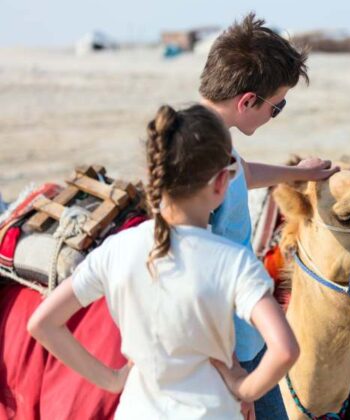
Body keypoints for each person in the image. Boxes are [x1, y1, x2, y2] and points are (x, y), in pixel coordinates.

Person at [27, 104, 299, 419]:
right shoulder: (233, 262)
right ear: (222, 182)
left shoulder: (117, 248)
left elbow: (42, 324)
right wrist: (244, 387)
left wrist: (113, 380)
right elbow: (285, 350)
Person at [198, 12, 339, 419]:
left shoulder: (208, 136)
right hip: (231, 349)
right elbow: (197, 264)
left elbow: (240, 173)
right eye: (276, 107)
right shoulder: (205, 154)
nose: (274, 115)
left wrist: (299, 174)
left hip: (245, 337)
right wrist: (232, 371)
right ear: (247, 102)